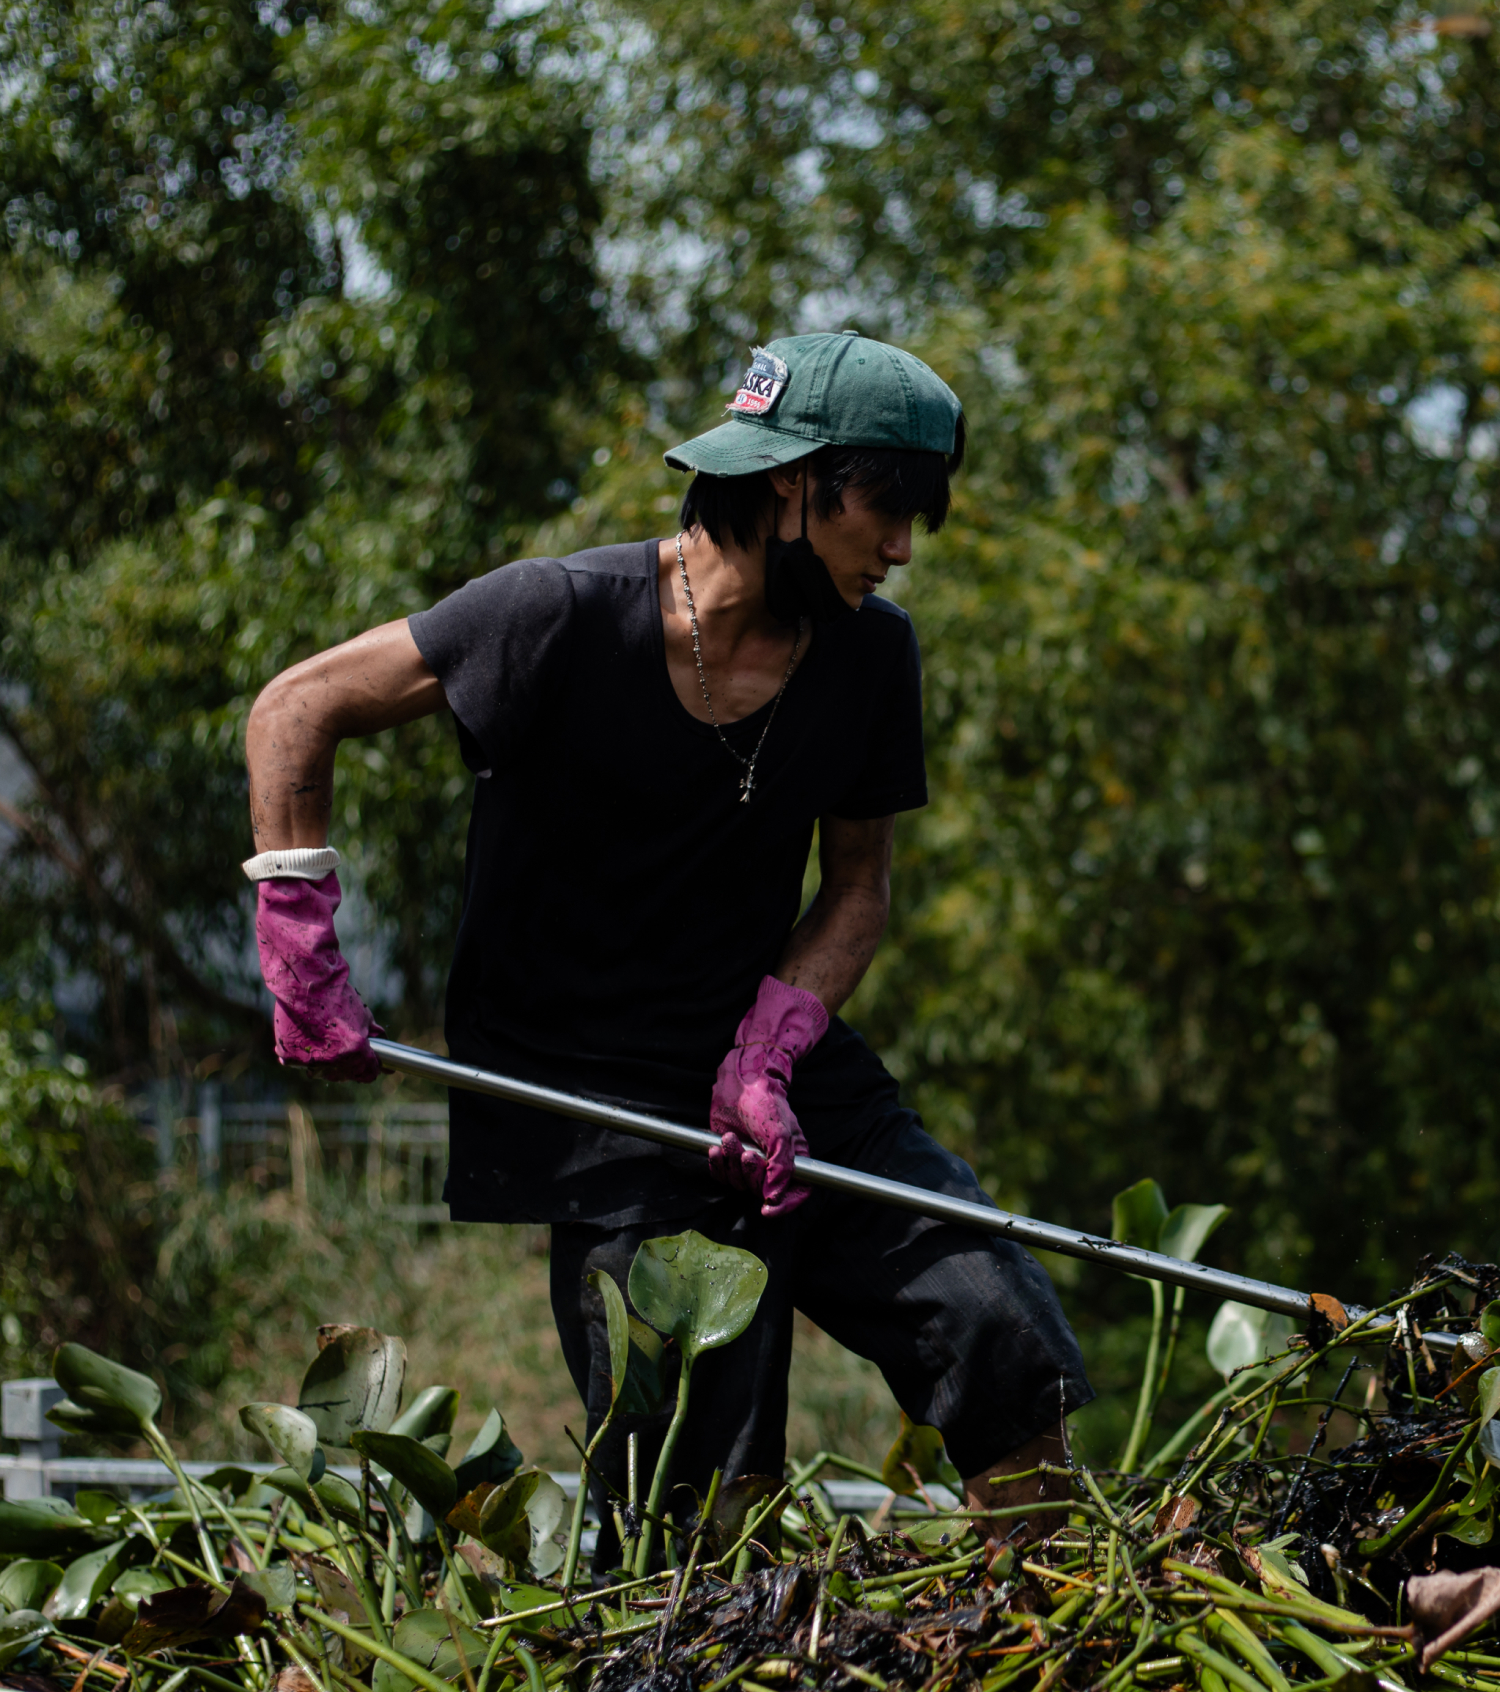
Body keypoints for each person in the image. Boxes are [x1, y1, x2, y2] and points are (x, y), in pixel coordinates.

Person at [243, 331, 1092, 1568]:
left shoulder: (870, 654)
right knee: (702, 1504)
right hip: (606, 1113)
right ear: (794, 484)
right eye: (890, 509)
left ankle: (1051, 1660)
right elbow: (295, 708)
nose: (904, 547)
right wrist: (300, 946)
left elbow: (856, 891)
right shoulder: (561, 616)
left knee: (1003, 1331)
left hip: (783, 1076)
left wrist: (769, 1052)